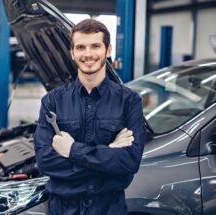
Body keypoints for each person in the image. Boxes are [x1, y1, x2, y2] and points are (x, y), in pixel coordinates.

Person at [34, 19, 146, 214]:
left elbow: (130, 162)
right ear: (72, 53)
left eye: (95, 46)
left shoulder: (129, 101)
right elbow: (46, 162)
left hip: (109, 208)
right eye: (80, 47)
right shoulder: (52, 102)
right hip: (63, 209)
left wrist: (72, 150)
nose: (88, 54)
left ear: (108, 50)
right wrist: (110, 151)